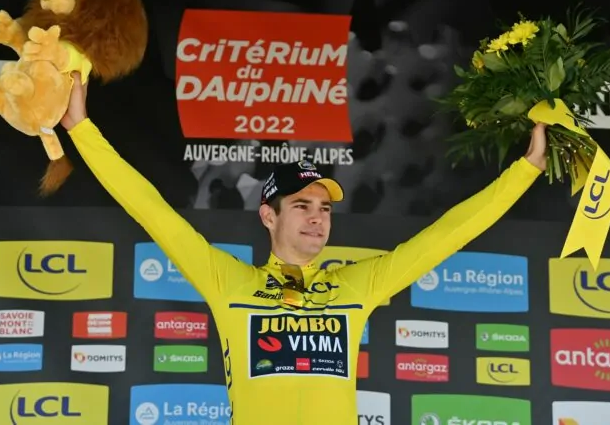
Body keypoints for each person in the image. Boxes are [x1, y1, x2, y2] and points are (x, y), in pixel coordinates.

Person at [62, 72, 547, 425]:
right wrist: (81, 129)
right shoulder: (229, 281)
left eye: (325, 208)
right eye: (302, 206)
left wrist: (525, 170)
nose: (318, 217)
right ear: (268, 216)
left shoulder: (355, 286)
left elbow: (446, 235)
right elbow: (152, 210)